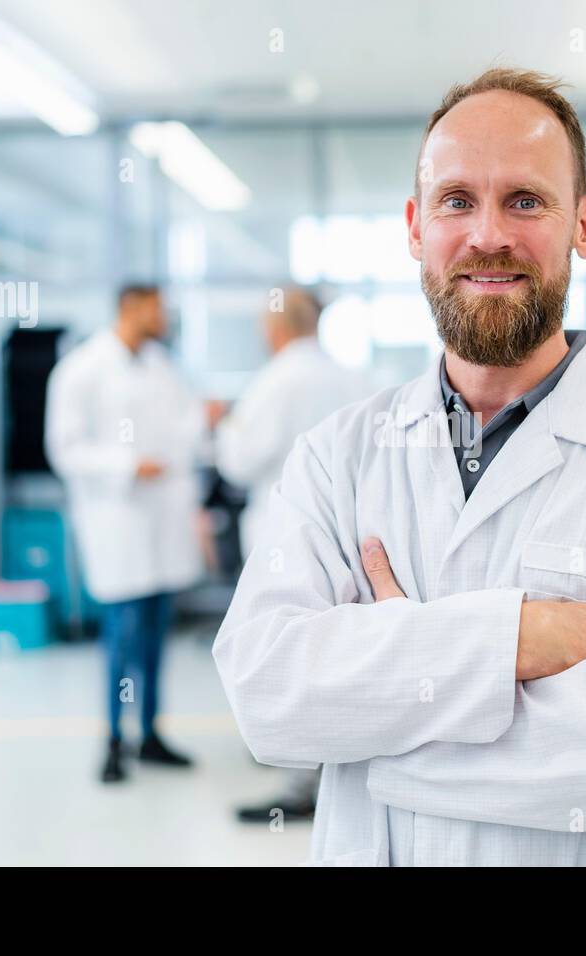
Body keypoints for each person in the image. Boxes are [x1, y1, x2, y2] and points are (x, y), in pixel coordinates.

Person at [213, 68, 586, 865]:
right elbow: (267, 697)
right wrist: (519, 636)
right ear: (416, 227)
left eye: (526, 200)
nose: (488, 236)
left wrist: (380, 731)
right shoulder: (338, 458)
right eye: (456, 201)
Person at [209, 286, 372, 821]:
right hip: (350, 538)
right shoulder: (350, 377)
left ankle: (300, 781)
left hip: (284, 541)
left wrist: (225, 424)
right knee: (339, 656)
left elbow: (239, 461)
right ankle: (331, 774)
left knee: (289, 659)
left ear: (275, 329)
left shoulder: (275, 380)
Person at [46, 283, 211, 784]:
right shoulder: (82, 368)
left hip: (162, 519)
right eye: (156, 309)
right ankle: (114, 740)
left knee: (157, 632)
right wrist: (127, 464)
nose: (163, 318)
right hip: (116, 518)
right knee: (122, 634)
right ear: (130, 308)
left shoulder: (162, 366)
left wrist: (202, 421)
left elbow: (184, 428)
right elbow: (65, 448)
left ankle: (151, 734)